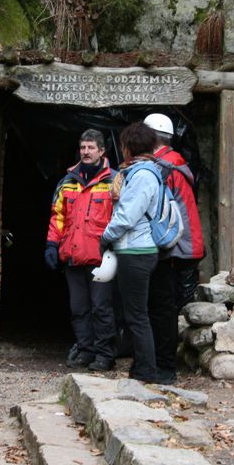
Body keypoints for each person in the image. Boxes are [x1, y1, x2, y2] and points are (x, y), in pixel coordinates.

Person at [99, 122, 165, 384]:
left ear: (128, 147)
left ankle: (146, 371)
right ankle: (141, 367)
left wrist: (105, 237)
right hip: (138, 250)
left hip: (135, 250)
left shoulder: (141, 175)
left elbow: (127, 216)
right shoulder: (144, 172)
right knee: (136, 314)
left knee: (137, 316)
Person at [46, 129, 117, 371]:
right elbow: (58, 217)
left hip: (101, 259)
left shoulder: (114, 181)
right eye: (83, 147)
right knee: (79, 309)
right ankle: (86, 350)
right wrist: (52, 245)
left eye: (91, 148)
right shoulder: (67, 181)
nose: (86, 152)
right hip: (73, 256)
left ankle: (105, 355)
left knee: (102, 308)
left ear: (102, 151)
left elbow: (122, 218)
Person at [143, 113, 205, 383]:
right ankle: (162, 364)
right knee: (163, 306)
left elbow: (154, 210)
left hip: (168, 248)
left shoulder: (164, 168)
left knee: (161, 307)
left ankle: (164, 368)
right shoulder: (175, 164)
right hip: (180, 246)